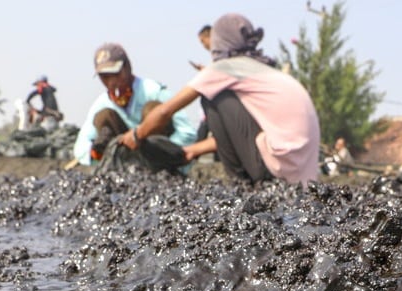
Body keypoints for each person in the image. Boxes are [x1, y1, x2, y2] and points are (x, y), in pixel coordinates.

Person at [120, 13, 320, 187]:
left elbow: (165, 111)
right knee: (222, 97)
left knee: (213, 98)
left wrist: (136, 135)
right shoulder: (262, 71)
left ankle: (241, 184)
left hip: (277, 170)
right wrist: (193, 150)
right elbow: (243, 134)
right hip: (301, 175)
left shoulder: (226, 68)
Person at [73, 42, 198, 170]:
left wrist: (169, 151)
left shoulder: (153, 91)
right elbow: (81, 147)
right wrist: (96, 153)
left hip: (159, 160)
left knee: (153, 109)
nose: (111, 82)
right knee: (104, 116)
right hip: (125, 163)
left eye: (116, 74)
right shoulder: (102, 103)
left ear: (127, 68)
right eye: (105, 77)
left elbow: (187, 133)